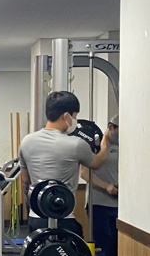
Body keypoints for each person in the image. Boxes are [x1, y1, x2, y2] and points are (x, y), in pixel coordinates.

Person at [19, 91, 112, 238]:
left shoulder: (26, 141)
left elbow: (26, 179)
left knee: (39, 252)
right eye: (74, 116)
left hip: (35, 218)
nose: (75, 120)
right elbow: (97, 163)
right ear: (66, 116)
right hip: (63, 217)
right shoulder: (76, 144)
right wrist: (105, 142)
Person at [82, 115, 119, 256]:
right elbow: (84, 173)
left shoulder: (127, 146)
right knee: (104, 245)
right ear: (111, 128)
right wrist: (106, 186)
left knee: (116, 247)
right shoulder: (95, 146)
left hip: (120, 205)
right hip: (99, 203)